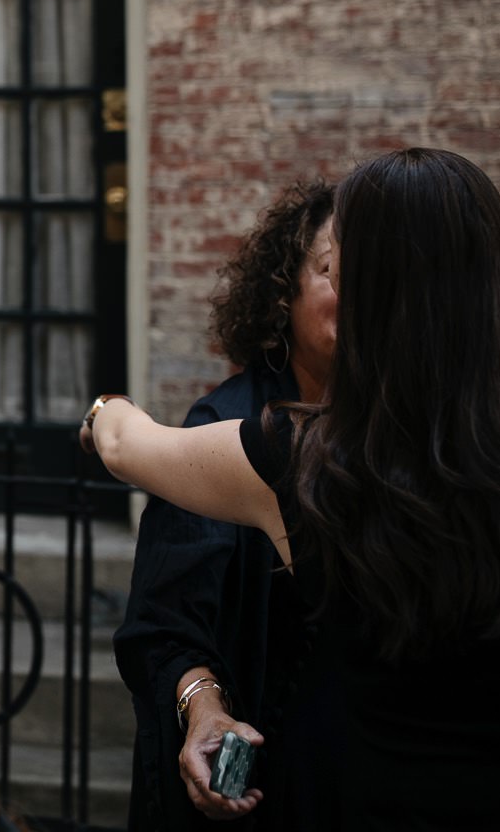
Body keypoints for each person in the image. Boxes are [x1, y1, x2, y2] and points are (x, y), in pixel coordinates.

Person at [81, 148, 500, 829]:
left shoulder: (305, 455)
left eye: (340, 265)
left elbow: (124, 444)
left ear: (378, 294)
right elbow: (167, 626)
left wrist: (102, 410)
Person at [113, 179, 340, 830]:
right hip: (265, 773)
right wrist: (204, 704)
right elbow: (164, 625)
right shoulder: (227, 424)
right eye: (329, 269)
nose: (354, 289)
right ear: (282, 291)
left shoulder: (403, 429)